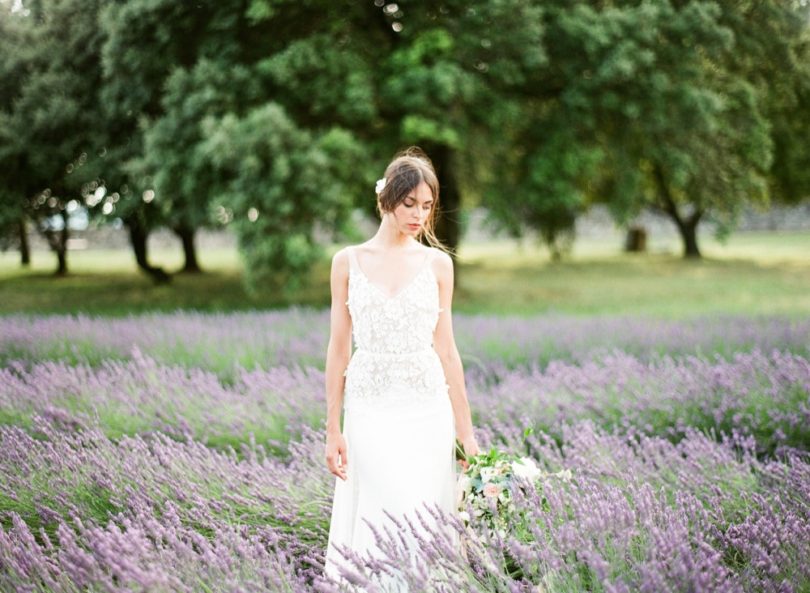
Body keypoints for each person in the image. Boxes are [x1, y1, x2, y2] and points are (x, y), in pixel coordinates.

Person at [322, 146, 480, 591]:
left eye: (427, 206)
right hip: (370, 407)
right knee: (379, 513)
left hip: (427, 409)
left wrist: (466, 435)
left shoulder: (438, 265)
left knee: (423, 514)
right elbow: (338, 349)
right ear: (384, 200)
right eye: (409, 203)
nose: (418, 215)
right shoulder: (347, 263)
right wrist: (332, 429)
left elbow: (448, 352)